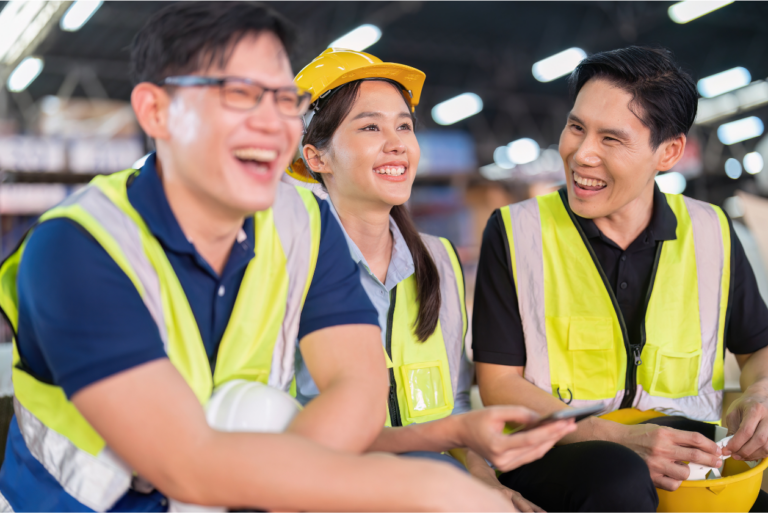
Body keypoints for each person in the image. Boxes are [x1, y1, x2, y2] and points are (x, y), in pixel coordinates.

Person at [0, 3, 514, 511]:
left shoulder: (303, 224)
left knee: (258, 411)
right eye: (240, 95)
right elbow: (184, 465)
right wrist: (413, 488)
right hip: (77, 504)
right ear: (157, 111)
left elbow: (356, 387)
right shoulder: (80, 247)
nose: (271, 123)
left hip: (234, 482)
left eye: (282, 99)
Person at [473, 45, 768, 511]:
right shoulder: (516, 231)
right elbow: (498, 384)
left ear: (668, 152)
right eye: (576, 128)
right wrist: (611, 435)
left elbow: (757, 348)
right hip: (555, 448)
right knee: (619, 477)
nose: (580, 154)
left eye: (611, 139)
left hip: (683, 450)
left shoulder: (711, 230)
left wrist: (759, 393)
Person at [287, 48, 577, 512]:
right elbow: (286, 427)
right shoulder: (289, 264)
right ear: (316, 157)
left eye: (404, 125)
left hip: (434, 486)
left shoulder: (438, 260)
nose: (397, 142)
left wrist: (487, 484)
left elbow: (456, 404)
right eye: (370, 127)